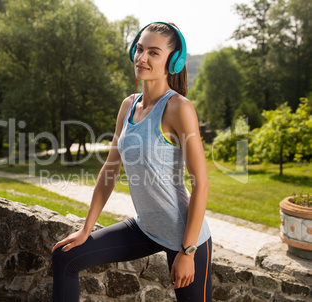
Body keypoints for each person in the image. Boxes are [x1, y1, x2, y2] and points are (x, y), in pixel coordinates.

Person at [51, 21, 212, 302]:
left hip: (185, 236)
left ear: (173, 62)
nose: (142, 58)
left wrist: (188, 251)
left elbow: (201, 183)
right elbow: (110, 169)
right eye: (139, 49)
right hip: (145, 227)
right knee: (66, 258)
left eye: (153, 52)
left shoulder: (179, 108)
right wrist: (87, 228)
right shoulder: (128, 105)